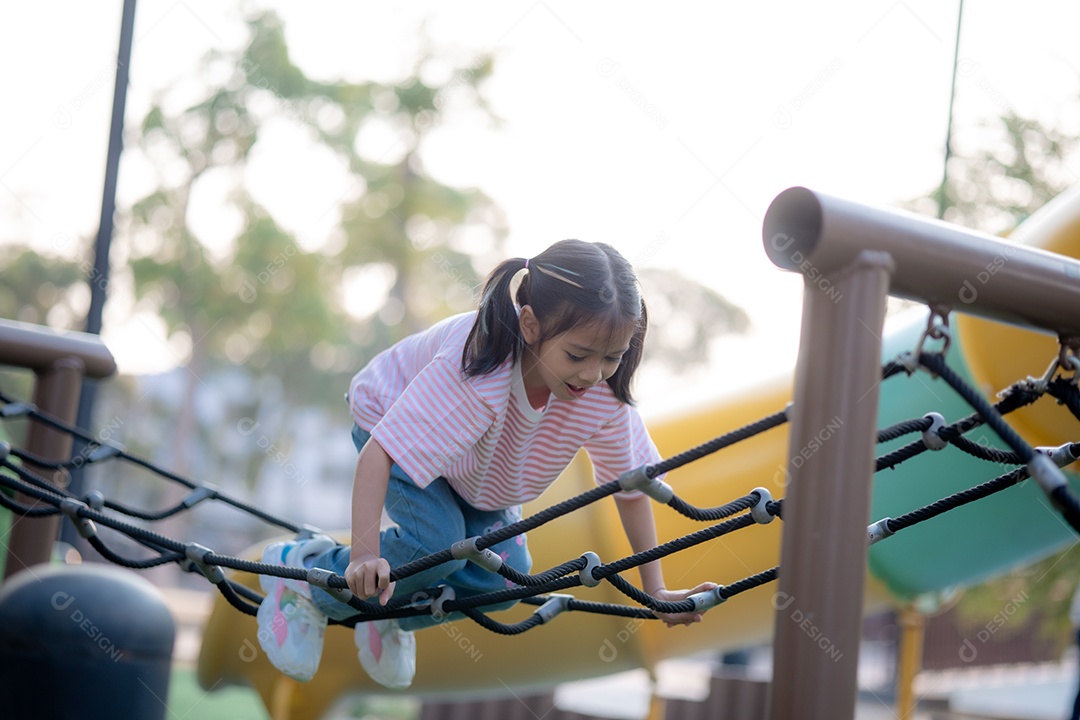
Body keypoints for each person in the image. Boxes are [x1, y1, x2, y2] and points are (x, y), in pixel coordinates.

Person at [255, 239, 715, 688]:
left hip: (477, 473)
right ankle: (308, 578)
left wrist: (654, 590)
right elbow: (381, 451)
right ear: (530, 325)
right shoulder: (479, 366)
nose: (592, 373)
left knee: (508, 577)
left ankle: (388, 617)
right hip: (390, 423)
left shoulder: (602, 397)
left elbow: (632, 486)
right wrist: (363, 555)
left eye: (612, 357)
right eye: (577, 355)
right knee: (434, 544)